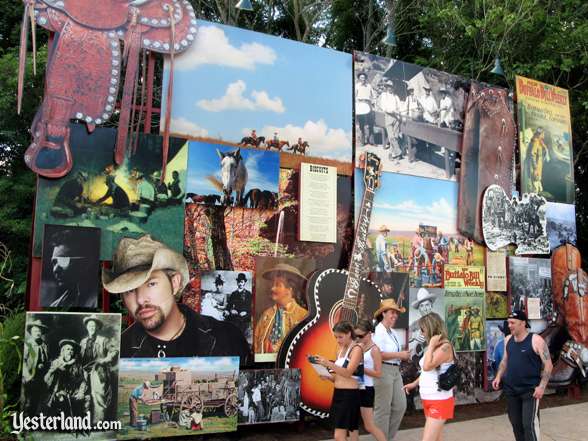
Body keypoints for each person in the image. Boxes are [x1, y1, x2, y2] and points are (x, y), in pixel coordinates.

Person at [102, 235, 250, 364]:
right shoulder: (116, 353)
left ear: (174, 283)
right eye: (130, 290)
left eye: (151, 284)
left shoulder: (227, 337)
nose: (141, 299)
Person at [492, 310, 553, 441]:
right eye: (508, 323)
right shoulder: (508, 340)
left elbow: (548, 365)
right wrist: (498, 376)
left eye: (513, 323)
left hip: (530, 392)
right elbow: (504, 361)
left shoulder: (536, 340)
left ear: (523, 323)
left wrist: (542, 387)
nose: (509, 326)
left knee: (529, 425)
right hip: (511, 391)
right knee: (516, 425)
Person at [403, 312, 456, 441]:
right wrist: (414, 384)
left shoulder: (445, 347)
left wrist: (431, 345)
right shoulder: (432, 347)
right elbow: (426, 373)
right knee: (436, 438)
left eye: (423, 329)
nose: (421, 333)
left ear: (431, 328)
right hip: (429, 397)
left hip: (439, 399)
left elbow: (427, 366)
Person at [315, 321, 364, 441]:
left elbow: (348, 372)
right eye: (336, 337)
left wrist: (328, 364)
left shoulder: (356, 349)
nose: (338, 340)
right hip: (339, 393)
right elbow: (339, 376)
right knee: (351, 432)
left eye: (340, 337)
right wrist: (328, 376)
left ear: (348, 334)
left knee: (339, 435)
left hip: (349, 395)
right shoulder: (340, 350)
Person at [372, 298, 410, 441]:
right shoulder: (379, 331)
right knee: (383, 409)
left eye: (396, 313)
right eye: (392, 313)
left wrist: (402, 355)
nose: (395, 315)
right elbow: (378, 355)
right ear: (383, 314)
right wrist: (400, 354)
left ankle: (385, 437)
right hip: (384, 370)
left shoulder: (391, 331)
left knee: (400, 406)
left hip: (394, 371)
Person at [253, 263, 308, 355]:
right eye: (273, 284)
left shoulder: (303, 316)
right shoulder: (267, 314)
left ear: (289, 289)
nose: (272, 288)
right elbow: (256, 342)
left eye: (278, 285)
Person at [43, 228, 98, 308]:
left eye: (63, 261)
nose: (55, 270)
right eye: (54, 262)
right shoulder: (57, 305)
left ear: (86, 263)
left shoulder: (96, 300)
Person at [79, 314, 119, 423]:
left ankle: (98, 422)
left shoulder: (104, 340)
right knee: (84, 396)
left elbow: (114, 351)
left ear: (97, 327)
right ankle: (84, 422)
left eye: (94, 325)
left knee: (98, 396)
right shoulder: (83, 342)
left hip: (98, 371)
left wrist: (105, 360)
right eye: (90, 325)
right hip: (84, 371)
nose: (92, 327)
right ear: (87, 327)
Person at [354, 319, 387, 441]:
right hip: (357, 386)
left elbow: (378, 373)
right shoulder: (359, 346)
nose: (357, 338)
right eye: (355, 335)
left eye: (360, 335)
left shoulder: (374, 350)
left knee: (369, 425)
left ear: (369, 333)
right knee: (352, 423)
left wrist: (361, 368)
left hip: (367, 388)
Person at [44, 339, 89, 418]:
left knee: (84, 401)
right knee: (61, 401)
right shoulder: (56, 362)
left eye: (72, 350)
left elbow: (82, 381)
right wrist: (54, 371)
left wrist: (81, 392)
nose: (70, 351)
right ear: (63, 351)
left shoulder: (77, 365)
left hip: (73, 391)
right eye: (68, 349)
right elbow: (47, 379)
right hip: (56, 391)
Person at [22, 319, 49, 415]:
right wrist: (27, 375)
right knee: (28, 401)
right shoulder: (28, 344)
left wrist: (43, 365)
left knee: (37, 400)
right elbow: (23, 361)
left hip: (40, 377)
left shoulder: (44, 345)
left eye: (39, 331)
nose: (37, 333)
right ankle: (25, 420)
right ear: (31, 332)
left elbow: (46, 361)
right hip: (30, 377)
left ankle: (34, 420)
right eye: (35, 331)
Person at [377, 80, 402, 158]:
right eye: (388, 87)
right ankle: (398, 152)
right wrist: (392, 111)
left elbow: (399, 107)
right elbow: (383, 107)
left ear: (393, 88)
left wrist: (398, 112)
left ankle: (391, 154)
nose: (390, 88)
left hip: (396, 118)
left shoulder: (396, 96)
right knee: (391, 136)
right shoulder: (384, 95)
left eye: (391, 87)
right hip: (388, 116)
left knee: (396, 136)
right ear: (386, 87)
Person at [226, 273, 253, 340]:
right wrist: (230, 310)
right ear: (237, 283)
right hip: (235, 314)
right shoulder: (233, 293)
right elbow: (229, 305)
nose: (240, 283)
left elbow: (251, 307)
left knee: (241, 327)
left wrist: (246, 312)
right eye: (239, 282)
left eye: (242, 282)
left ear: (244, 283)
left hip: (245, 315)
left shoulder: (248, 294)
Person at [355, 72, 376, 145]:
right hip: (360, 105)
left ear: (366, 78)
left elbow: (373, 95)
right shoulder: (356, 86)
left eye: (364, 78)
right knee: (362, 124)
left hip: (368, 104)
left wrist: (373, 103)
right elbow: (354, 96)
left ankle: (371, 141)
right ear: (359, 79)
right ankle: (362, 141)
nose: (363, 79)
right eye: (361, 78)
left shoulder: (369, 86)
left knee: (370, 123)